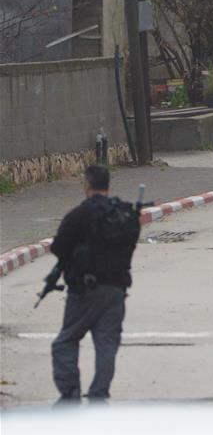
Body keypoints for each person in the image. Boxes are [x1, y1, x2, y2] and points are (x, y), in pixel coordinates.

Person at [50, 165, 138, 403]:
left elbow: (58, 247)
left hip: (84, 291)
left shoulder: (80, 214)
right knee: (106, 343)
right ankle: (99, 394)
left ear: (87, 185)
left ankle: (69, 395)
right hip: (117, 290)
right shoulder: (123, 214)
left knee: (66, 340)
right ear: (107, 185)